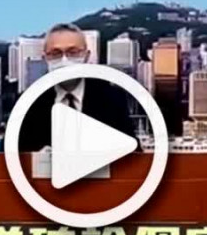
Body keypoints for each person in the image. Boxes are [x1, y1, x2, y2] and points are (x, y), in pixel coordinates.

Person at [17, 23, 137, 152]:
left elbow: (135, 154)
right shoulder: (29, 102)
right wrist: (35, 157)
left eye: (73, 52)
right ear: (45, 58)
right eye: (55, 53)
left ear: (86, 56)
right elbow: (9, 153)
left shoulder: (112, 98)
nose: (64, 60)